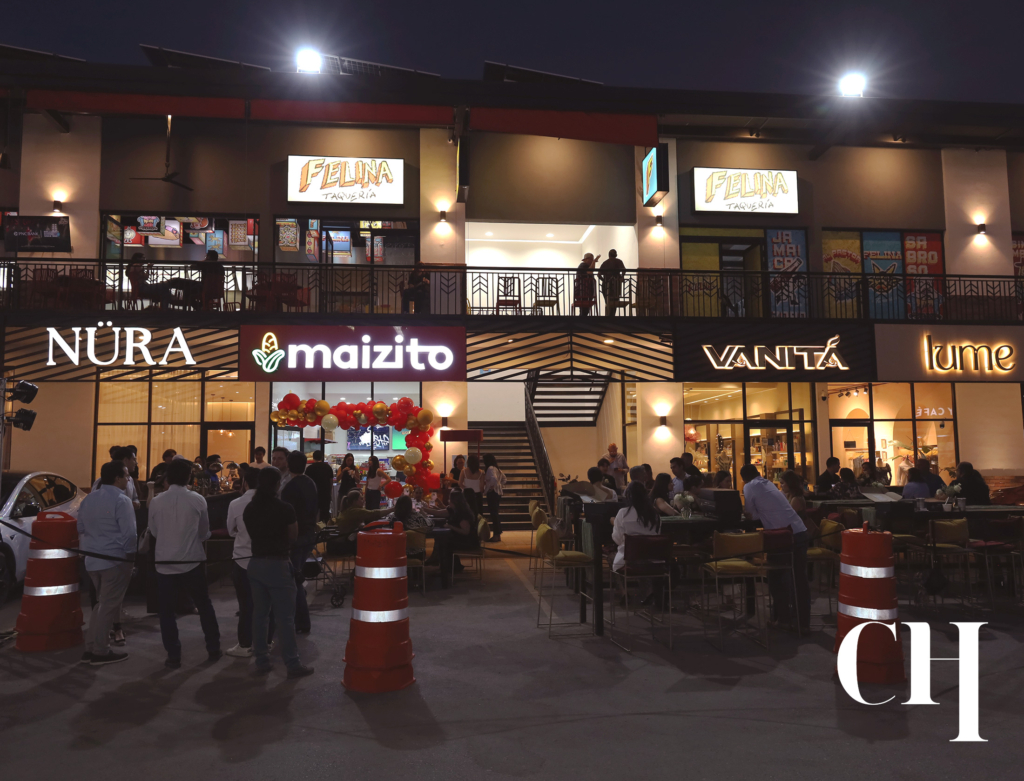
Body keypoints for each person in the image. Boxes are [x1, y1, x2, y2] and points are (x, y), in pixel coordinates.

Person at [148, 458, 221, 668]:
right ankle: (213, 647)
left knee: (167, 611)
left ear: (168, 477)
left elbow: (154, 531)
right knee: (204, 605)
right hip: (192, 560)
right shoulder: (198, 500)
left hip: (165, 562)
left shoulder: (156, 501)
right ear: (189, 477)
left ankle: (173, 655)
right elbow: (204, 532)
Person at [243, 467, 314, 679]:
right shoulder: (284, 508)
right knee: (285, 618)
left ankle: (262, 660)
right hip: (278, 565)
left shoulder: (250, 508)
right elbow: (293, 536)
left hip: (255, 564)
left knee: (260, 615)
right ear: (277, 485)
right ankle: (292, 663)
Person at [76, 460, 137, 666]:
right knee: (108, 606)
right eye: (126, 475)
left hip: (92, 559)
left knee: (101, 604)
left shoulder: (89, 499)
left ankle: (90, 647)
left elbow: (80, 527)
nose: (128, 479)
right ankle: (100, 651)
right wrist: (130, 557)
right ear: (118, 478)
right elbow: (130, 534)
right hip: (114, 559)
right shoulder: (122, 500)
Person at [740, 464, 810, 634]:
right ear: (758, 473)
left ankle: (783, 619)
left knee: (776, 577)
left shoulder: (749, 487)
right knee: (799, 580)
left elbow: (751, 514)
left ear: (743, 478)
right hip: (799, 531)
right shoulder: (769, 484)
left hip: (782, 536)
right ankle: (801, 624)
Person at [225, 466, 274, 658]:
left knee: (246, 605)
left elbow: (231, 530)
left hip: (242, 558)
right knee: (267, 603)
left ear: (245, 482)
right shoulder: (273, 502)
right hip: (267, 558)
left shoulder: (236, 504)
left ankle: (245, 644)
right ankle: (267, 641)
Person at [281, 450, 319, 635]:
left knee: (293, 578)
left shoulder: (290, 488)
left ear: (288, 465)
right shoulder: (310, 483)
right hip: (309, 534)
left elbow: (288, 518)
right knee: (296, 575)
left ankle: (302, 621)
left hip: (297, 537)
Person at [611, 477, 662, 572]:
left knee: (611, 557)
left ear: (628, 496)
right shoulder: (654, 514)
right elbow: (657, 535)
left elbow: (617, 538)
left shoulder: (623, 513)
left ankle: (622, 583)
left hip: (629, 560)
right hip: (653, 560)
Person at [446, 489, 480, 572]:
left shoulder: (462, 514)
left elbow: (465, 532)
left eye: (450, 500)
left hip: (468, 542)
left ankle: (450, 569)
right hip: (465, 540)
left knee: (444, 544)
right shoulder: (460, 511)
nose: (448, 501)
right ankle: (452, 567)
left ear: (455, 501)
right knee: (444, 542)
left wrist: (450, 526)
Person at [779, 469, 816, 538]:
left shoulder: (796, 499)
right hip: (796, 531)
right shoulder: (790, 495)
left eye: (782, 483)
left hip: (800, 534)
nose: (781, 486)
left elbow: (787, 517)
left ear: (789, 483)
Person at [305, 450, 335, 525]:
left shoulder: (309, 468)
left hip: (313, 495)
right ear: (322, 457)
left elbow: (307, 483)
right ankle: (324, 529)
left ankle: (313, 529)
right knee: (325, 515)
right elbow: (331, 482)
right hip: (325, 494)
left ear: (313, 458)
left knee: (312, 514)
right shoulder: (328, 468)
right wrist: (329, 493)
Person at [482, 454, 507, 543]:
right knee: (495, 513)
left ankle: (496, 534)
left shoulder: (490, 468)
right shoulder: (497, 469)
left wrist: (491, 487)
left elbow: (494, 479)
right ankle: (498, 534)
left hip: (492, 493)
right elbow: (504, 479)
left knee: (494, 514)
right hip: (497, 493)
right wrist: (499, 485)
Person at [599, 249, 626, 316]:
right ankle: (612, 316)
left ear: (609, 255)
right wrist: (621, 277)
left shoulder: (605, 263)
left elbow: (599, 274)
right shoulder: (619, 261)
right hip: (616, 284)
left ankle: (609, 316)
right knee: (615, 302)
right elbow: (624, 270)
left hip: (606, 284)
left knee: (608, 302)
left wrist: (604, 280)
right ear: (616, 255)